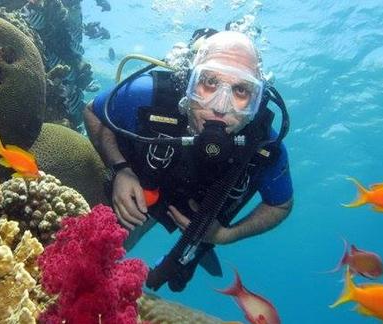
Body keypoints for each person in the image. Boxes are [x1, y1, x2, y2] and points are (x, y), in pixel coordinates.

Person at [83, 30, 293, 291]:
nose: (221, 106)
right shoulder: (147, 95)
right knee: (92, 257)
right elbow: (93, 111)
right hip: (141, 189)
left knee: (176, 279)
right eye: (209, 82)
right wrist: (121, 169)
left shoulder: (265, 146)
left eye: (240, 90)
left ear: (257, 99)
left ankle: (192, 254)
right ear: (189, 81)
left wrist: (226, 235)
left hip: (202, 220)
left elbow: (281, 204)